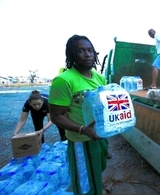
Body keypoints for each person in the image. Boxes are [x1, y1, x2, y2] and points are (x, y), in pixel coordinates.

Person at [48, 35, 109, 195]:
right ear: (72, 55)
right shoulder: (64, 80)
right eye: (81, 51)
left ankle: (98, 189)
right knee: (84, 184)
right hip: (81, 141)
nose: (87, 54)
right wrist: (83, 129)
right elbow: (56, 116)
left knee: (97, 169)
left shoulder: (100, 78)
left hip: (100, 136)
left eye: (90, 50)